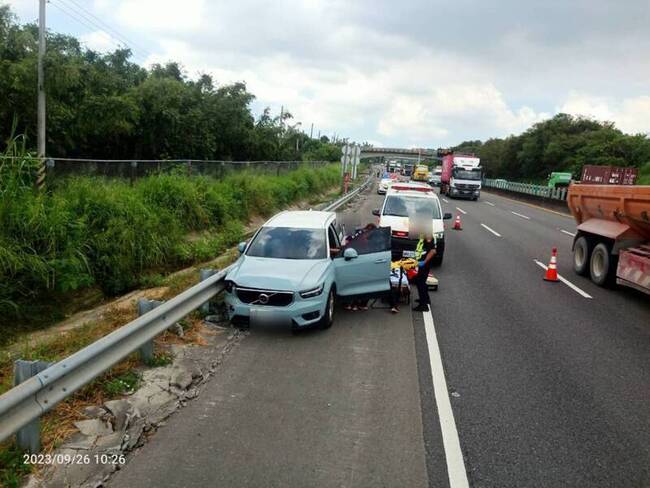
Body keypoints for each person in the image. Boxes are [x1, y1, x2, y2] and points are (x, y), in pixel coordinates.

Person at [412, 233, 436, 312]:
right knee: (420, 280)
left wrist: (424, 262)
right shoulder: (423, 233)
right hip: (422, 262)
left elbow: (433, 251)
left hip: (424, 263)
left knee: (420, 282)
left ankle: (423, 305)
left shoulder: (428, 234)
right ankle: (426, 299)